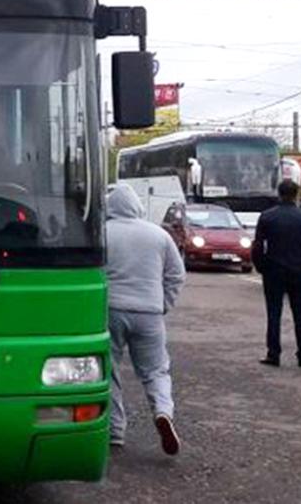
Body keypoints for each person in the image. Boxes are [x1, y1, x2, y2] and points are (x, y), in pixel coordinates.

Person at [104, 184, 186, 455]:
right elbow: (176, 275)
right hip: (149, 312)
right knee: (155, 370)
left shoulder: (102, 233)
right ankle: (162, 411)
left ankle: (115, 431)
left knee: (110, 369)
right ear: (137, 206)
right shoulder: (158, 235)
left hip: (111, 310)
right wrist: (163, 304)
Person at [251, 179, 301, 367]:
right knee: (300, 315)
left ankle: (273, 354)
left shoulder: (267, 217)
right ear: (296, 195)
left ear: (279, 194)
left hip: (273, 271)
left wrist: (261, 266)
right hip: (298, 271)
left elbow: (257, 246)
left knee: (274, 314)